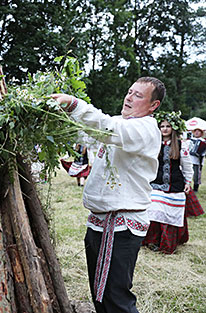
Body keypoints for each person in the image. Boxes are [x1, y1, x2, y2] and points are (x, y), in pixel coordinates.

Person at [51, 76, 164, 313]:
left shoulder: (144, 129)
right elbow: (87, 134)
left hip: (120, 224)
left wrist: (74, 103)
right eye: (130, 91)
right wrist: (58, 119)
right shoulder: (120, 123)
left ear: (154, 105)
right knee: (100, 292)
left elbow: (106, 128)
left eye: (138, 95)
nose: (129, 97)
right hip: (102, 221)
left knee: (115, 297)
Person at [141, 112, 193, 254]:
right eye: (162, 126)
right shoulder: (153, 144)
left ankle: (167, 242)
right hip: (156, 184)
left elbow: (187, 165)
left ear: (173, 128)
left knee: (169, 213)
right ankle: (152, 240)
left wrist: (188, 181)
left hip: (174, 185)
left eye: (168, 126)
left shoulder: (181, 145)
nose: (164, 129)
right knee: (153, 210)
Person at [189, 127, 206, 192]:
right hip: (190, 160)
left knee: (196, 175)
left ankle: (195, 188)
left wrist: (200, 153)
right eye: (195, 131)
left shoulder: (203, 141)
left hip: (197, 161)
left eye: (198, 131)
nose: (196, 132)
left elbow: (203, 152)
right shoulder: (191, 140)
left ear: (201, 133)